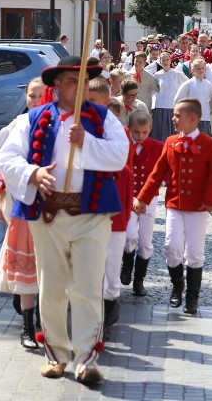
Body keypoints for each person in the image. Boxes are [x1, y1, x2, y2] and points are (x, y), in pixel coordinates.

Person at [0, 56, 129, 384]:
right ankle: (56, 354)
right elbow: (8, 156)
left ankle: (85, 359)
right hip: (49, 214)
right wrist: (33, 172)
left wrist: (89, 143)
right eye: (73, 81)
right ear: (57, 85)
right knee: (52, 287)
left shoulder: (103, 119)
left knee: (87, 287)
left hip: (91, 214)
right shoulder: (33, 118)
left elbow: (119, 155)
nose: (80, 87)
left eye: (84, 81)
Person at [134, 98, 212, 315]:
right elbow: (157, 173)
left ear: (193, 119)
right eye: (174, 115)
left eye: (178, 116)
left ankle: (192, 297)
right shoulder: (171, 141)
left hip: (197, 207)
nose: (173, 119)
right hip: (175, 203)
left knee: (194, 252)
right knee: (171, 247)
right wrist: (143, 198)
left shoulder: (208, 144)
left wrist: (211, 199)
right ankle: (177, 285)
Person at [0, 77, 45, 351]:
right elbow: (2, 167)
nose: (35, 101)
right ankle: (27, 325)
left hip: (51, 207)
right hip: (19, 203)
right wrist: (1, 202)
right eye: (32, 96)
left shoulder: (58, 123)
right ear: (25, 97)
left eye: (41, 96)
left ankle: (45, 320)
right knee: (23, 268)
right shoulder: (15, 127)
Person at [86, 78, 132, 338]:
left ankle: (111, 300)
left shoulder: (119, 133)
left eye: (93, 102)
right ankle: (95, 311)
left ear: (106, 101)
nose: (88, 106)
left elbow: (124, 169)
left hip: (114, 201)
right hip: (90, 204)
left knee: (112, 261)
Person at [119, 110, 164, 296]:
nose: (140, 136)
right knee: (129, 236)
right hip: (128, 198)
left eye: (144, 132)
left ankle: (139, 280)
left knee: (145, 242)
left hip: (149, 199)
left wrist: (145, 198)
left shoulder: (158, 147)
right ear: (129, 129)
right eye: (136, 132)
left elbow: (160, 175)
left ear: (150, 129)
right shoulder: (122, 145)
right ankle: (127, 264)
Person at [152, 51, 189, 142]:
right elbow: (154, 89)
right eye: (163, 60)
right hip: (159, 106)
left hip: (172, 106)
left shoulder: (177, 74)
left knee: (172, 132)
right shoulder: (157, 75)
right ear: (160, 61)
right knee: (159, 133)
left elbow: (187, 84)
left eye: (167, 60)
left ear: (170, 61)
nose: (165, 62)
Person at [175, 58, 212, 136]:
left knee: (203, 142)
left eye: (203, 68)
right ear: (193, 70)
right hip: (190, 119)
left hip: (204, 118)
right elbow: (177, 100)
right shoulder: (188, 84)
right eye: (198, 68)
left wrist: (208, 111)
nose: (201, 70)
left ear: (205, 69)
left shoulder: (209, 85)